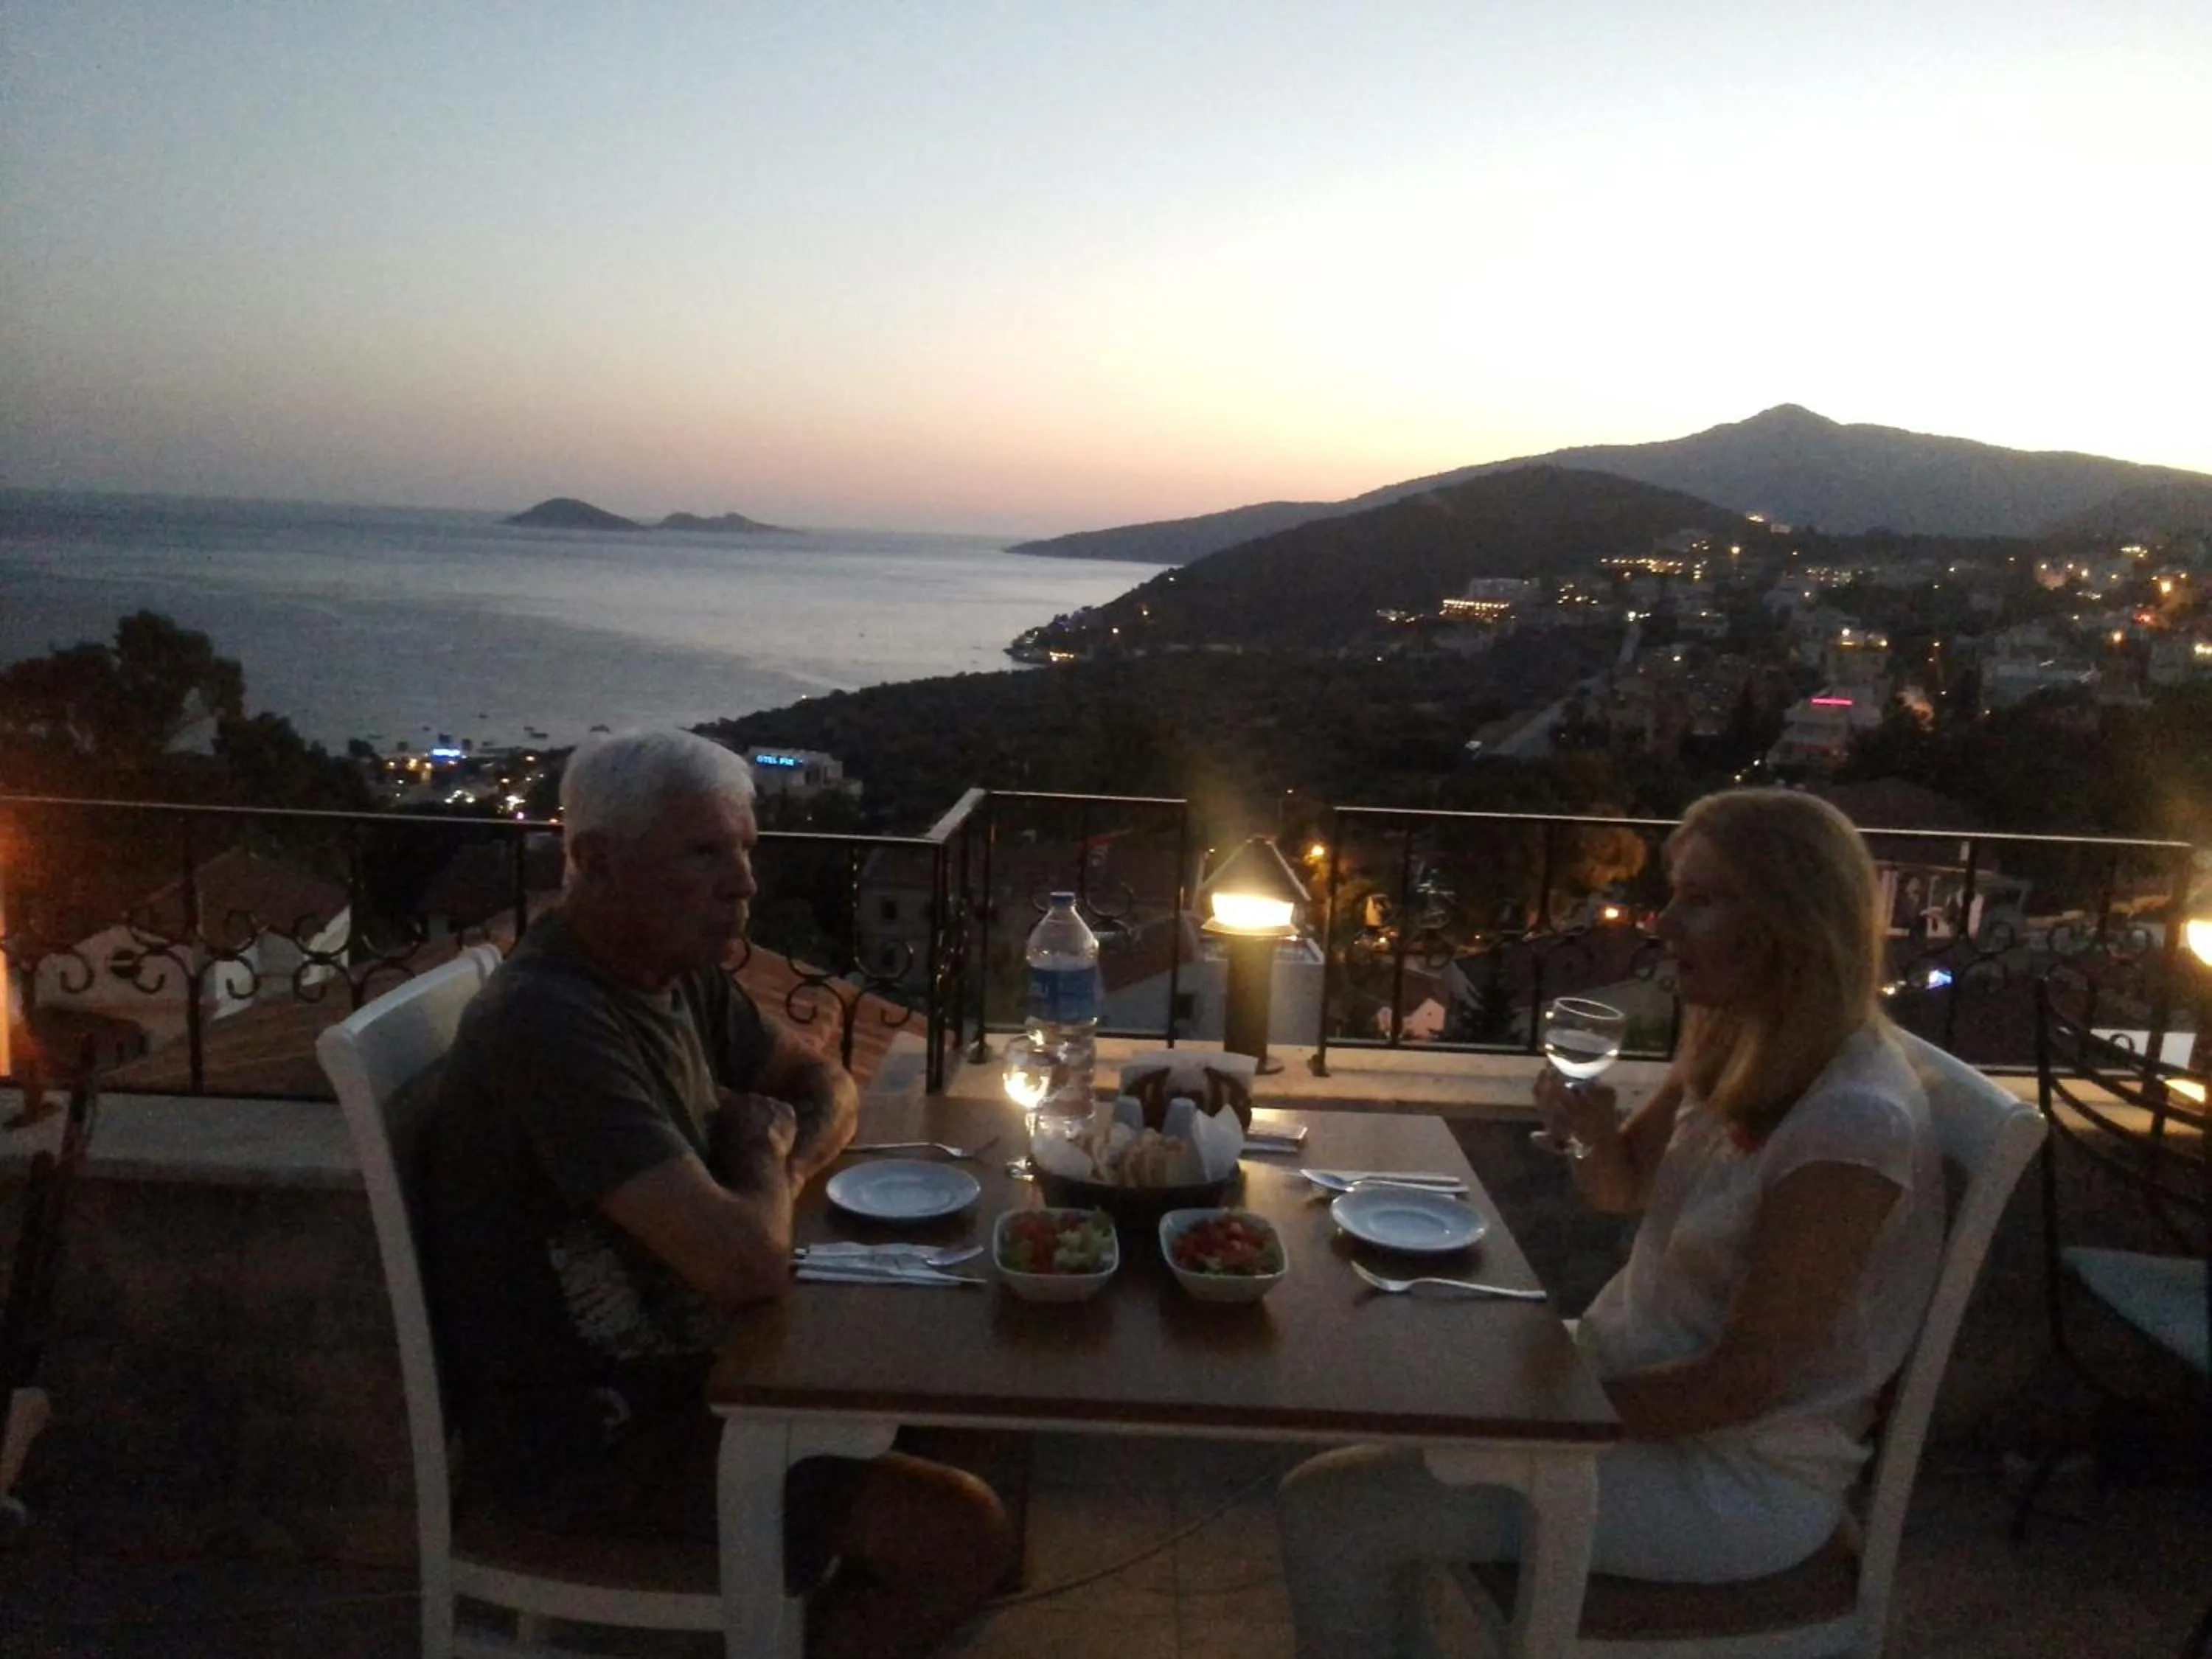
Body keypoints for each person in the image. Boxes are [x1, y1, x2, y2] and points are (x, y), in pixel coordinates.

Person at [1277, 788, 1946, 1657]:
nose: (1664, 925)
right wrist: (1591, 1135)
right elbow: (1619, 1189)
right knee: (1397, 1377)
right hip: (1626, 1390)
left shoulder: (1852, 1126)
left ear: (1791, 922)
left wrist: (1536, 1414)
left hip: (1729, 1483)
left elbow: (1737, 1387)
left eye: (1700, 901)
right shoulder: (1738, 1037)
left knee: (1334, 1509)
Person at [423, 729, 1011, 1659]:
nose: (741, 884)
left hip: (701, 1372)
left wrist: (772, 1169)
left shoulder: (674, 971)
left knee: (983, 1419)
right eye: (704, 854)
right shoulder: (554, 1026)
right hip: (593, 1444)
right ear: (594, 861)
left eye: (746, 852)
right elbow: (747, 1267)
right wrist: (761, 1185)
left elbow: (824, 1085)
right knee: (959, 1531)